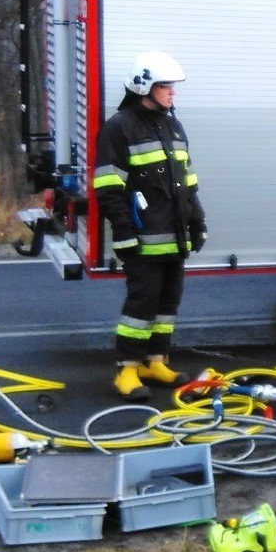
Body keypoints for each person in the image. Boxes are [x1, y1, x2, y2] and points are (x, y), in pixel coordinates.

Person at [92, 50, 206, 401]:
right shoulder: (119, 128)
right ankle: (127, 369)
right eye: (166, 86)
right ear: (145, 87)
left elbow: (186, 180)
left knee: (167, 304)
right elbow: (109, 187)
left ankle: (155, 361)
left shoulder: (173, 123)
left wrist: (197, 218)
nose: (173, 93)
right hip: (144, 240)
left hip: (174, 237)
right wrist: (123, 233)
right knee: (141, 306)